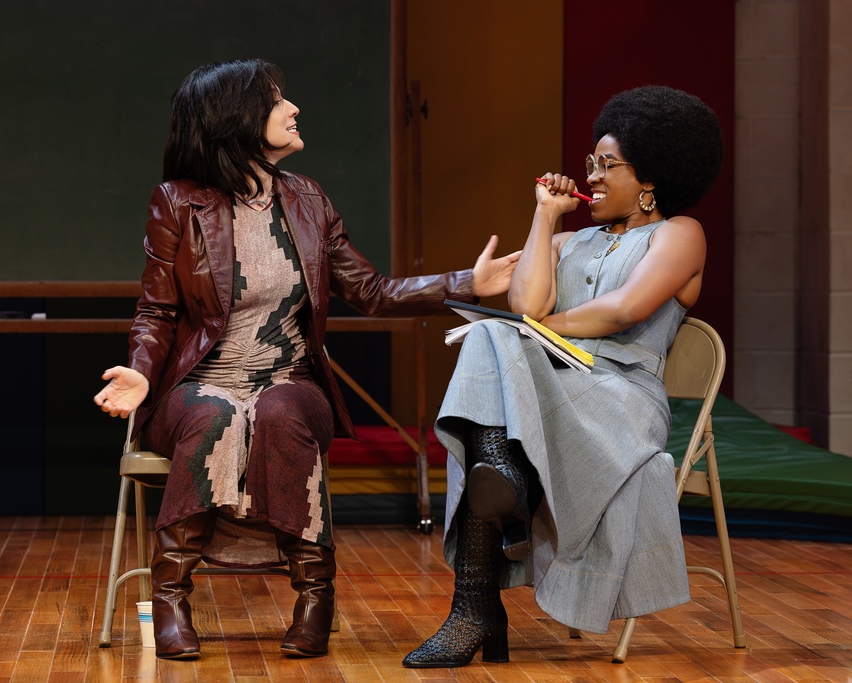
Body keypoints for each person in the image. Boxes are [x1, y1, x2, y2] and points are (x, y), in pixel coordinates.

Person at [93, 58, 520, 661]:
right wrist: (140, 369)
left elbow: (371, 293)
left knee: (281, 414)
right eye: (276, 101)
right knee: (211, 415)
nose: (293, 109)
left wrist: (466, 283)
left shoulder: (307, 200)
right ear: (237, 120)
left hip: (288, 380)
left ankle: (315, 598)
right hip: (200, 384)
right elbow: (157, 311)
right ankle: (171, 599)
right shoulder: (179, 203)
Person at [402, 85, 725, 668]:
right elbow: (525, 301)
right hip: (547, 388)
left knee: (501, 336)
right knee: (492, 332)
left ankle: (476, 604)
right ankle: (495, 504)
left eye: (608, 165)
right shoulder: (567, 239)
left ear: (650, 177)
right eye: (589, 165)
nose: (592, 177)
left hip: (620, 394)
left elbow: (624, 310)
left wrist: (542, 324)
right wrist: (543, 214)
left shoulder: (680, 234)